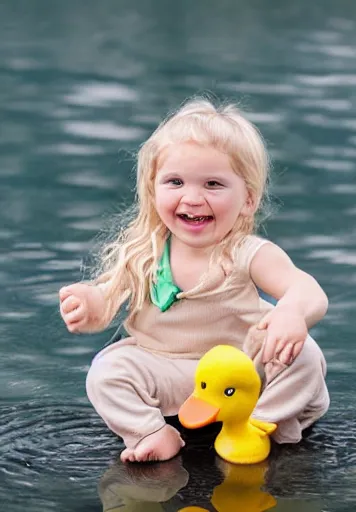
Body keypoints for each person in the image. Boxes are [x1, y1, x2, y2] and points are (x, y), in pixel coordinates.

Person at [59, 98, 330, 463]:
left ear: (248, 199)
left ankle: (264, 422)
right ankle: (153, 432)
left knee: (304, 355)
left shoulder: (247, 252)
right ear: (153, 191)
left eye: (213, 184)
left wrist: (293, 312)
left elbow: (306, 288)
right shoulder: (145, 251)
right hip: (169, 368)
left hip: (241, 370)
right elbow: (106, 303)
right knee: (106, 373)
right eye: (175, 182)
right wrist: (91, 304)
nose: (192, 197)